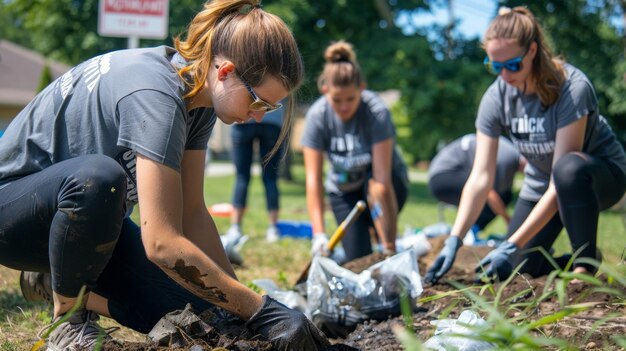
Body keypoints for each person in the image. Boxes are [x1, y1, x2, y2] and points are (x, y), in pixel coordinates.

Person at [0, 1, 330, 350]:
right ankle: (69, 322)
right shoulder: (155, 93)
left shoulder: (197, 101)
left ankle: (54, 279)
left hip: (80, 231)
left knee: (199, 313)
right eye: (259, 102)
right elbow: (161, 242)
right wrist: (261, 309)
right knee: (98, 178)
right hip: (13, 215)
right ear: (225, 71)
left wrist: (243, 314)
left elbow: (191, 214)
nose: (260, 116)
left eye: (270, 107)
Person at [424, 6, 626, 285]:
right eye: (495, 67)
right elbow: (481, 177)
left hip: (598, 177)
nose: (504, 76)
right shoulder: (496, 98)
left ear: (532, 51)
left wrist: (512, 242)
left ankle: (584, 265)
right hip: (541, 185)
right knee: (511, 269)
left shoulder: (572, 88)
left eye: (512, 65)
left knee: (568, 170)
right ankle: (569, 263)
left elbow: (561, 179)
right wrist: (455, 238)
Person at [301, 40, 410, 262]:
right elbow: (313, 180)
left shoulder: (376, 112)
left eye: (350, 99)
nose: (344, 107)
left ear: (362, 88)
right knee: (359, 260)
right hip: (344, 190)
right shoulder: (317, 116)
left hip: (387, 186)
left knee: (375, 188)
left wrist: (388, 248)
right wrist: (319, 234)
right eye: (336, 100)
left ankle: (388, 245)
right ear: (325, 90)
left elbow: (382, 181)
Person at [428, 133, 525, 234]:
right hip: (444, 176)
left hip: (440, 176)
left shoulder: (507, 150)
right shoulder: (507, 158)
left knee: (503, 196)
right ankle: (466, 232)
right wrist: (509, 220)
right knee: (499, 197)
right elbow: (489, 193)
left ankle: (470, 231)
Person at [224, 100, 286, 244]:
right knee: (271, 177)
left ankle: (235, 227)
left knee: (241, 176)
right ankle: (273, 228)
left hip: (242, 117)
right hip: (273, 120)